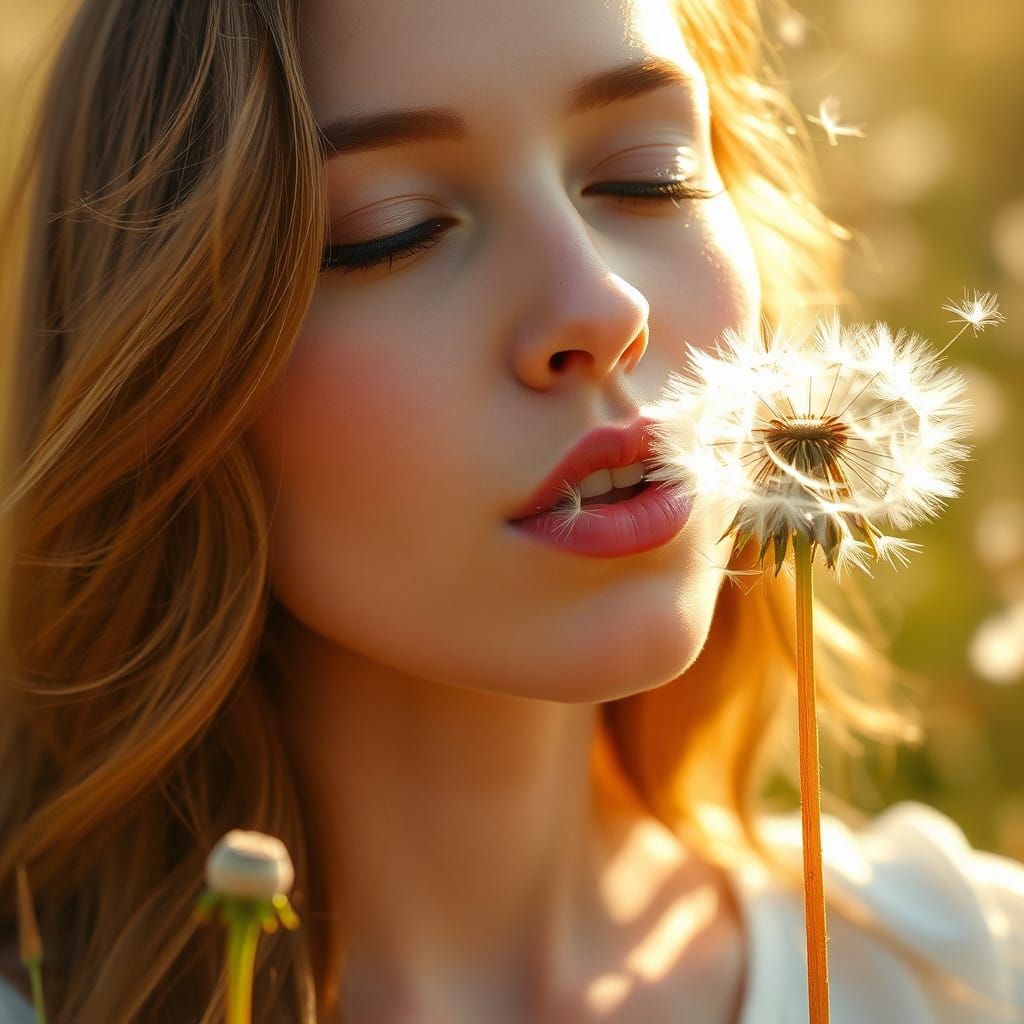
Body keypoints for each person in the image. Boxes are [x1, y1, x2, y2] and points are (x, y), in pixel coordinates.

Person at [0, 0, 1021, 1021]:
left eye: (650, 175)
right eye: (390, 231)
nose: (602, 306)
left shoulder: (971, 979)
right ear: (165, 375)